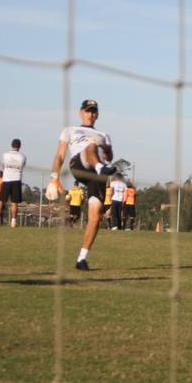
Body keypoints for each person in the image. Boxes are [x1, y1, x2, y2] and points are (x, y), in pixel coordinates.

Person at [45, 99, 117, 271]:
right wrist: (54, 178)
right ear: (80, 112)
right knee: (91, 146)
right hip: (79, 164)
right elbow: (60, 155)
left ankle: (82, 258)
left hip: (97, 174)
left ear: (97, 114)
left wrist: (107, 150)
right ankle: (100, 168)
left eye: (93, 111)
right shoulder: (70, 130)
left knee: (96, 216)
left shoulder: (104, 135)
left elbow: (110, 157)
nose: (90, 114)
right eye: (87, 110)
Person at [0, 139, 26, 228]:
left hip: (6, 179)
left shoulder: (5, 155)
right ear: (20, 146)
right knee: (14, 202)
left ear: (11, 145)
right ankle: (13, 223)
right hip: (17, 179)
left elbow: (3, 167)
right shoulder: (23, 156)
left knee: (0, 201)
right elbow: (22, 167)